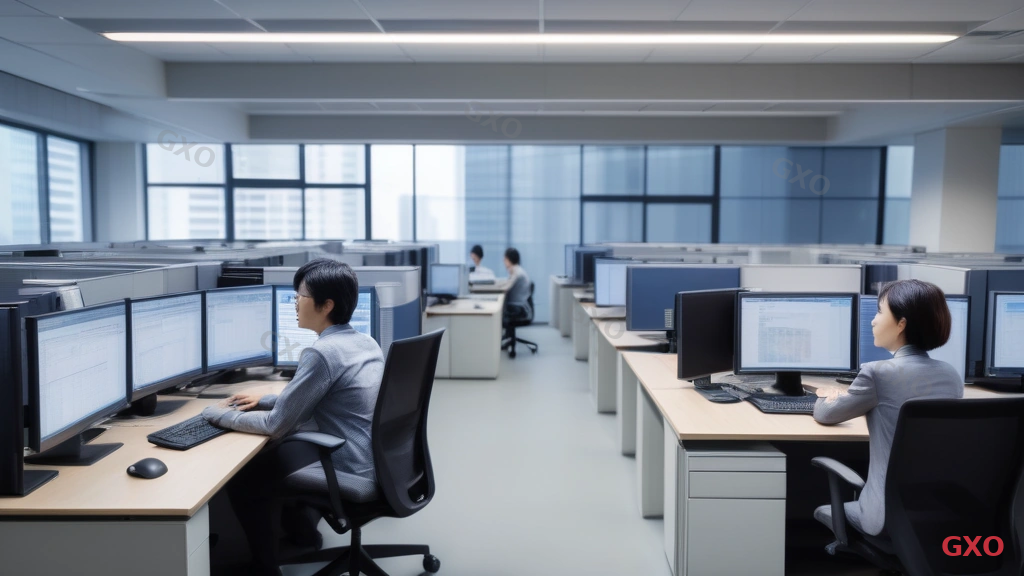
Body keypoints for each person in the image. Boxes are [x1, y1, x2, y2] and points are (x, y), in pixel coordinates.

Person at [202, 258, 384, 575]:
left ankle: (265, 568)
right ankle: (302, 533)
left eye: (300, 296)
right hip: (373, 459)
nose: (294, 303)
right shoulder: (364, 342)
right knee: (285, 456)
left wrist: (216, 416)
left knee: (247, 480)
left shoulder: (322, 353)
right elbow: (323, 397)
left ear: (326, 305)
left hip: (348, 467)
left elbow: (275, 427)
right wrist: (270, 399)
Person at [813, 279, 963, 540]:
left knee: (822, 509)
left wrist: (825, 395)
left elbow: (827, 415)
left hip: (884, 515)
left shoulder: (877, 373)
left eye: (880, 312)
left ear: (901, 324)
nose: (873, 320)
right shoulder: (951, 375)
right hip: (938, 509)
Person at [503, 247, 532, 320]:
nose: (503, 261)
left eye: (505, 259)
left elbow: (505, 288)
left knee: (498, 311)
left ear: (508, 260)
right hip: (519, 307)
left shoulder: (517, 272)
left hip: (519, 308)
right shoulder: (517, 270)